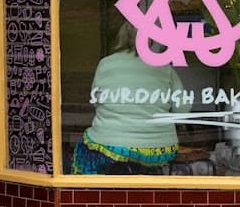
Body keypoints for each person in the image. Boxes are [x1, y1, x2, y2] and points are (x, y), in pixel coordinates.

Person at [72, 22, 190, 175]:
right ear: (150, 39)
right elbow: (182, 109)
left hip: (112, 145)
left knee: (84, 150)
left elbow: (96, 101)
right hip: (160, 150)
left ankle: (95, 188)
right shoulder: (164, 67)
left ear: (121, 37)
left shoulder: (105, 64)